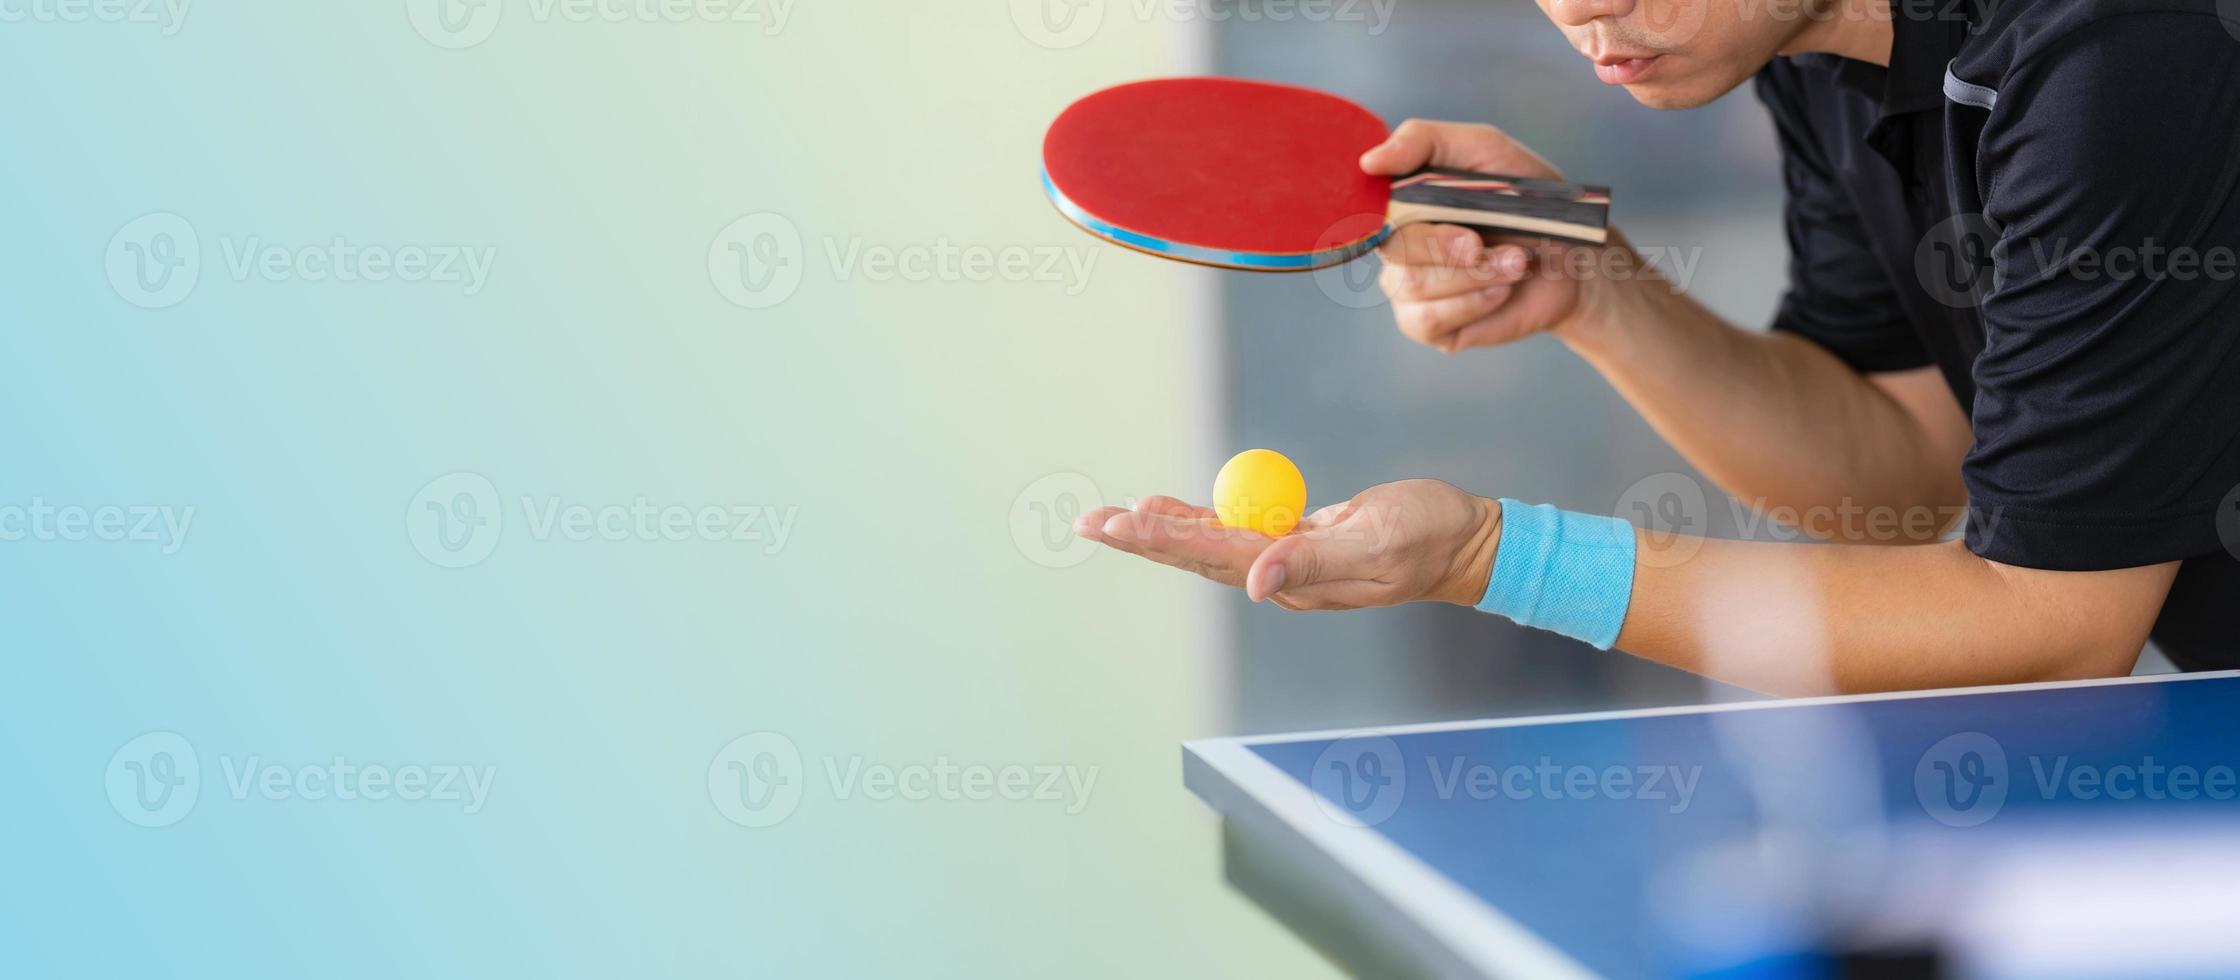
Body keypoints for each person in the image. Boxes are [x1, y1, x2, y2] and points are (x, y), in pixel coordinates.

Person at [1072, 0, 2240, 695]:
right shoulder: (1816, 53)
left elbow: (2052, 624)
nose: (1582, 8)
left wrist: (1488, 552)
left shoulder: (2113, 56)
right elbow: (1891, 464)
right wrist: (1595, 286)